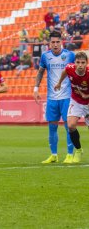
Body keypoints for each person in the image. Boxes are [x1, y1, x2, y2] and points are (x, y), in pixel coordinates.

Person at [33, 31, 75, 164]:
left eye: (57, 42)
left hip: (67, 96)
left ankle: (69, 155)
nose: (55, 44)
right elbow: (40, 72)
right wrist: (36, 88)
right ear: (49, 43)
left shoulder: (70, 55)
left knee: (69, 126)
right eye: (53, 42)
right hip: (52, 97)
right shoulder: (45, 56)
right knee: (52, 127)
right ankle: (54, 155)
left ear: (61, 41)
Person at [54, 51, 88, 163]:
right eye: (78, 62)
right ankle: (78, 150)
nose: (80, 65)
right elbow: (64, 72)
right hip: (76, 100)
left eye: (83, 63)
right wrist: (59, 83)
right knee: (71, 125)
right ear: (75, 63)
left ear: (86, 63)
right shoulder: (69, 68)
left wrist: (86, 95)